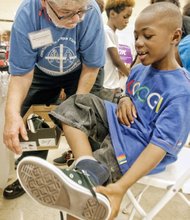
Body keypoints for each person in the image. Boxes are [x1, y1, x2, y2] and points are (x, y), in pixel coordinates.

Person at [15, 2, 190, 220]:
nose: (138, 43)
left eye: (147, 36)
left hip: (143, 144)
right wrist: (125, 98)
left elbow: (160, 145)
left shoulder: (181, 90)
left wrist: (122, 187)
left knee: (84, 199)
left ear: (175, 37)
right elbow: (128, 91)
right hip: (122, 125)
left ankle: (88, 181)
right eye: (135, 36)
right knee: (77, 102)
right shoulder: (140, 69)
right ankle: (87, 168)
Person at [3, 0, 106, 199]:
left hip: (83, 71)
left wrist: (76, 107)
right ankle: (32, 175)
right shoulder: (27, 15)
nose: (76, 19)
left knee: (88, 120)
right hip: (40, 71)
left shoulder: (90, 11)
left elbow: (92, 67)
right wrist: (11, 113)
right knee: (34, 126)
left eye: (80, 11)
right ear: (44, 3)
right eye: (66, 13)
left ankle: (93, 178)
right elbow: (21, 74)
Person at [98, 0, 134, 103]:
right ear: (113, 14)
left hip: (112, 85)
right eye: (125, 17)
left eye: (129, 18)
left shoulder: (113, 35)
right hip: (106, 86)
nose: (127, 21)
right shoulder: (106, 31)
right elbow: (116, 61)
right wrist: (131, 76)